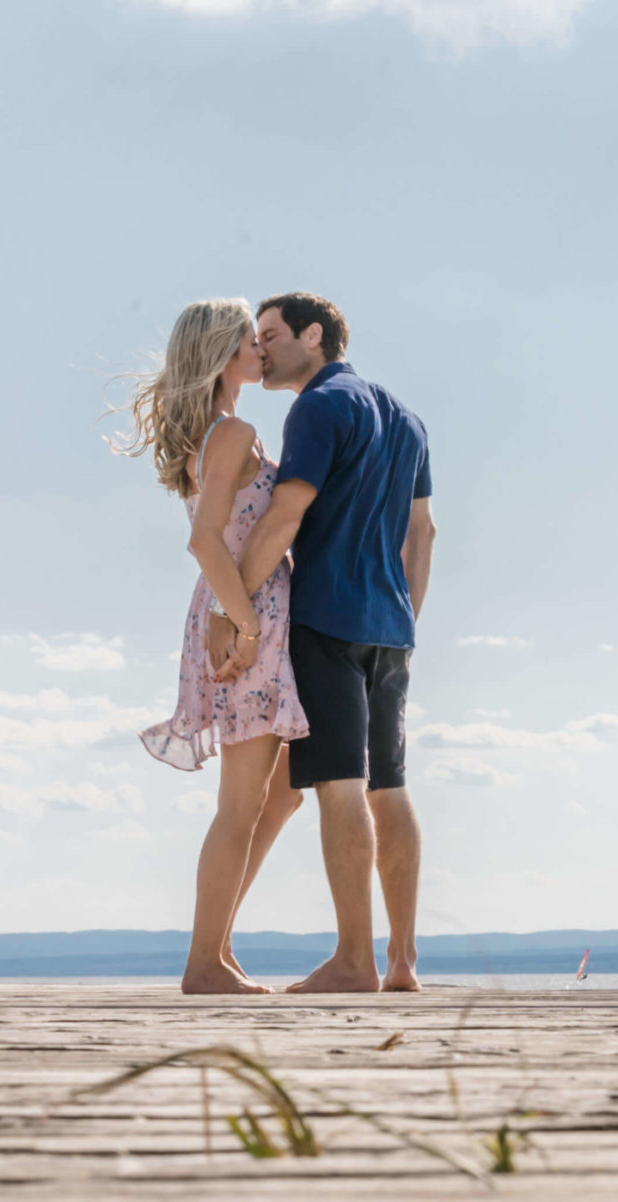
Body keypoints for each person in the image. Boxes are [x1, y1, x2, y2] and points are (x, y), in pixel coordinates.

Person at [209, 292, 435, 994]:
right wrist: (404, 618)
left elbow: (285, 514)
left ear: (316, 335)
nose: (264, 348)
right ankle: (401, 963)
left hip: (327, 618)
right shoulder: (406, 418)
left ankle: (352, 961)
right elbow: (421, 534)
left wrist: (235, 609)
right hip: (390, 629)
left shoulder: (317, 405)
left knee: (342, 788)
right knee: (388, 790)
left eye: (273, 335)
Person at [120, 299, 308, 995]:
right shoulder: (231, 431)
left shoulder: (217, 432)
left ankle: (217, 952)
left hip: (244, 607)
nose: (263, 349)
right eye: (252, 342)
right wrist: (245, 623)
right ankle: (205, 963)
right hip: (245, 614)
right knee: (240, 803)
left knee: (282, 793)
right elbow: (204, 540)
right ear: (226, 352)